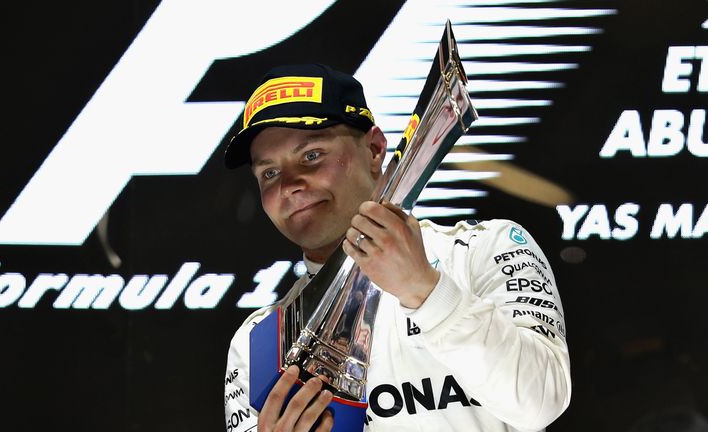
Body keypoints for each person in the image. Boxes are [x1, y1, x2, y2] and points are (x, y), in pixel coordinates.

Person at [223, 63, 571, 432]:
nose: (290, 185)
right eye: (270, 173)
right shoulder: (260, 342)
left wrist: (426, 290)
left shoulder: (484, 249)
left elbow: (541, 404)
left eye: (311, 155)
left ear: (374, 150)